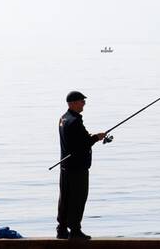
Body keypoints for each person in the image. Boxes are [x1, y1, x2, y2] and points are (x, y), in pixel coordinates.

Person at [56, 90, 105, 240]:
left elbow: (75, 140)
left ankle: (62, 229)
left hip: (65, 166)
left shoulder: (63, 119)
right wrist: (97, 137)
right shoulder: (75, 121)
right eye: (81, 101)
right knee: (78, 198)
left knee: (65, 198)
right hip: (77, 168)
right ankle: (75, 231)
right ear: (73, 103)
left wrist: (91, 137)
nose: (84, 103)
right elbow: (83, 143)